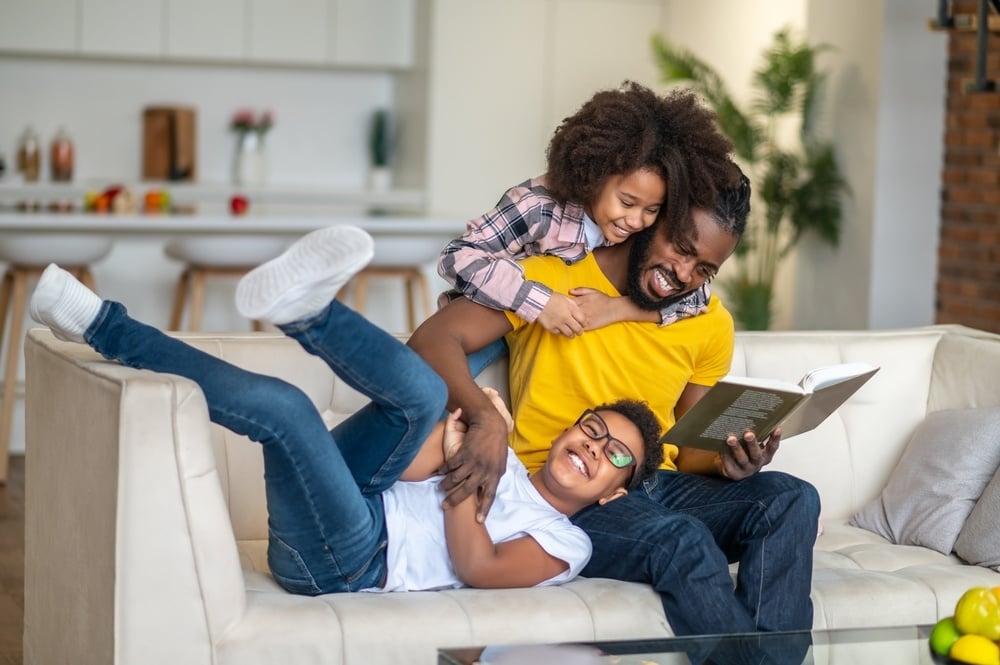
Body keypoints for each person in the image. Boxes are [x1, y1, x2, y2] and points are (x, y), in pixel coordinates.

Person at [28, 225, 665, 595]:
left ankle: (103, 325)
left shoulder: (566, 543)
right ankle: (306, 310)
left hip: (348, 560)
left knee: (287, 409)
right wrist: (452, 441)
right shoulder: (511, 470)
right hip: (367, 494)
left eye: (614, 455)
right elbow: (410, 467)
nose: (591, 448)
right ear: (566, 430)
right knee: (420, 396)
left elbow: (478, 567)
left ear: (616, 492)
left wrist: (464, 477)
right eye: (592, 429)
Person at [408, 171, 821, 635]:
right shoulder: (552, 281)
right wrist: (485, 420)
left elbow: (690, 455)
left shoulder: (708, 322)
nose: (684, 276)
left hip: (659, 486)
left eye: (705, 268)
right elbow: (433, 339)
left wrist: (729, 464)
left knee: (791, 497)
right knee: (681, 539)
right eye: (682, 248)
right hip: (574, 493)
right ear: (649, 219)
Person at [438, 82, 735, 373]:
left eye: (652, 209)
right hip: (495, 320)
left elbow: (698, 297)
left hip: (560, 340)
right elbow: (456, 257)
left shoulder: (644, 230)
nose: (635, 220)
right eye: (627, 202)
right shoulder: (538, 207)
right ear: (596, 176)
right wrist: (539, 303)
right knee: (443, 386)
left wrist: (616, 309)